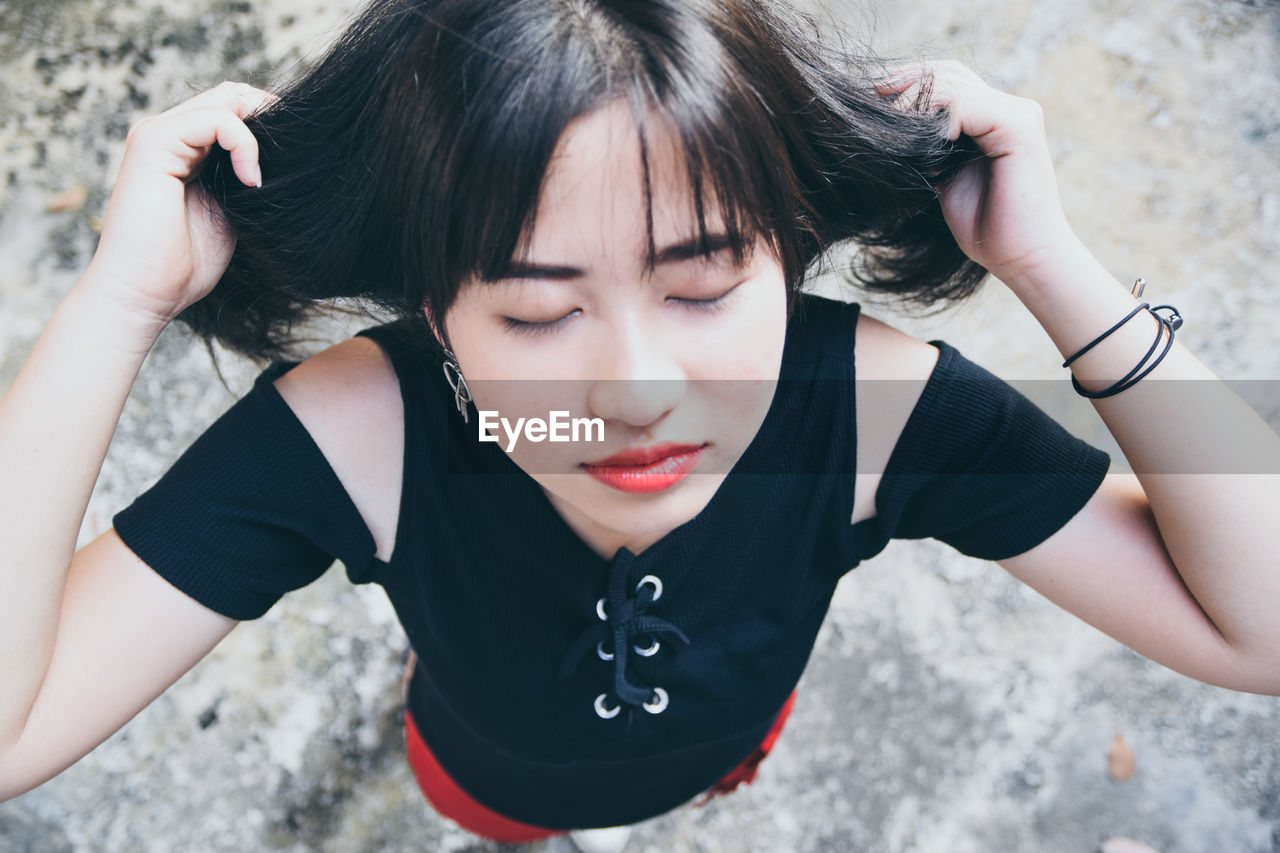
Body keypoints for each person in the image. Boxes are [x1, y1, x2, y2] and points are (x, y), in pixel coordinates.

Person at [1, 0, 1278, 850]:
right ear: (434, 312)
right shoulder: (362, 431)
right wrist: (122, 299)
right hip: (475, 768)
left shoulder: (872, 412)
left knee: (729, 750)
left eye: (704, 286)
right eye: (535, 313)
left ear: (786, 257)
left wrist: (1053, 268)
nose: (637, 387)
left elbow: (1260, 627)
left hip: (736, 734)